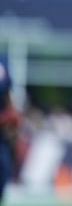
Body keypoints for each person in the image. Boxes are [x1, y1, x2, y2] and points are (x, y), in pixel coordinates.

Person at [0, 57, 21, 204]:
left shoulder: (3, 60)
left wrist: (12, 114)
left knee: (3, 170)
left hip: (2, 136)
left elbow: (7, 93)